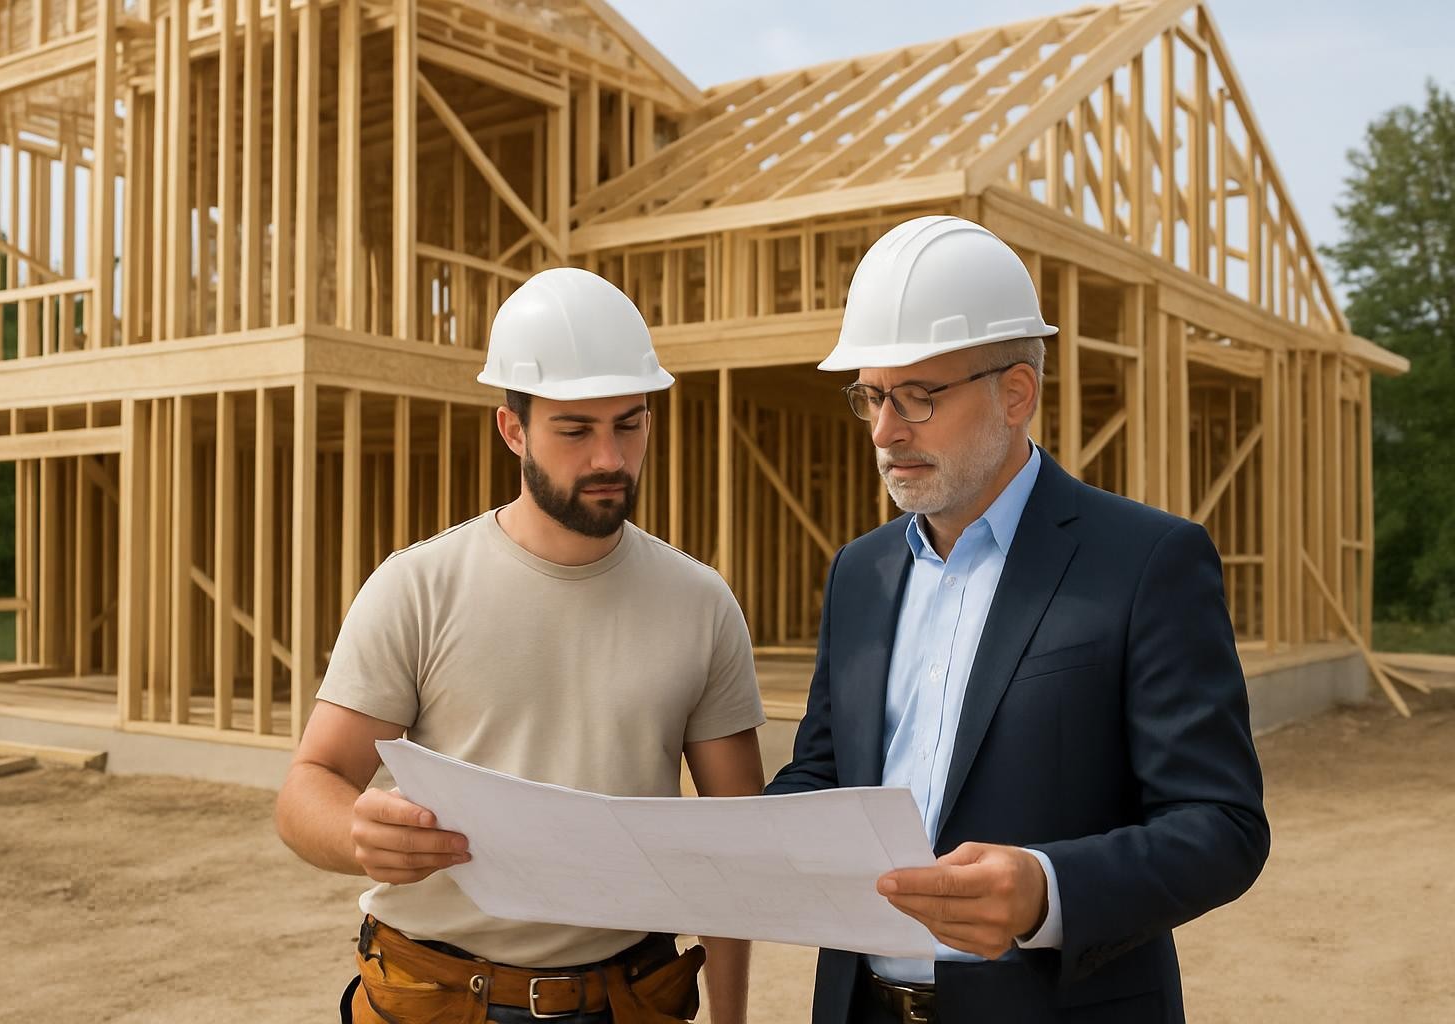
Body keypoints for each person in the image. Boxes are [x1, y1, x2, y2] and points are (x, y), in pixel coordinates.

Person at [766, 216, 1269, 1023]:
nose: (886, 432)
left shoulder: (1145, 563)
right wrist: (737, 843)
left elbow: (1223, 826)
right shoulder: (860, 573)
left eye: (918, 397)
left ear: (1016, 393)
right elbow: (824, 774)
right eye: (870, 396)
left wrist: (1047, 889)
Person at [276, 267, 767, 1024]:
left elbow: (734, 849)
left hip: (627, 1000)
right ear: (513, 429)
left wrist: (732, 1021)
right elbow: (308, 785)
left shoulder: (700, 603)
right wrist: (355, 832)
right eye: (574, 429)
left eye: (629, 424)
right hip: (433, 998)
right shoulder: (419, 588)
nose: (609, 457)